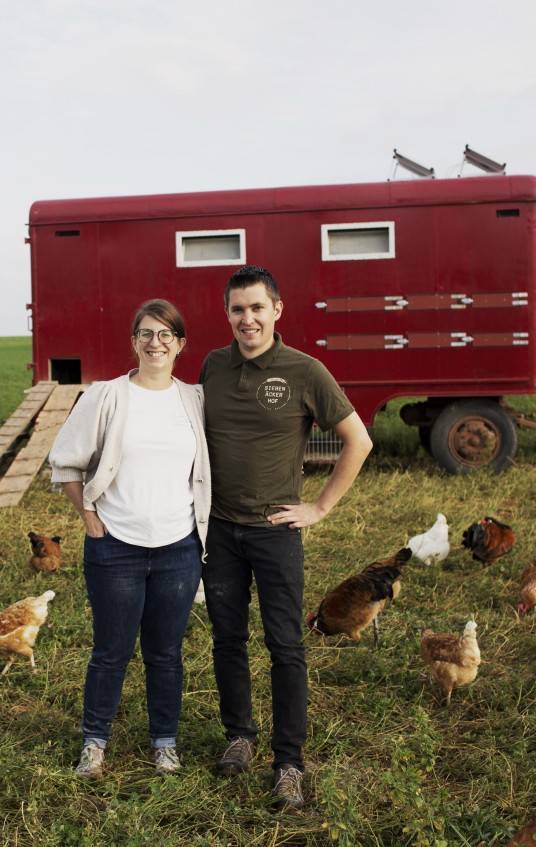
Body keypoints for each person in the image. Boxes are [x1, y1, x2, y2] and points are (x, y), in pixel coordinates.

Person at [199, 265, 372, 811]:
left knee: (286, 646)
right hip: (220, 532)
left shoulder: (304, 371)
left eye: (256, 307)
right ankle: (239, 736)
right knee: (227, 640)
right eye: (237, 309)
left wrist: (319, 507)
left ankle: (289, 763)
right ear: (227, 314)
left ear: (277, 309)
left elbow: (358, 440)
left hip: (275, 534)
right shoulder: (213, 366)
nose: (246, 318)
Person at [47, 299, 210, 780]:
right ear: (133, 341)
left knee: (165, 653)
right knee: (110, 651)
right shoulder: (108, 395)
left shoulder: (195, 399)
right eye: (146, 333)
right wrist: (87, 516)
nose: (155, 342)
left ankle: (165, 743)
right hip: (115, 547)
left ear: (181, 344)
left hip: (179, 548)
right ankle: (94, 744)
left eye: (165, 334)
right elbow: (66, 460)